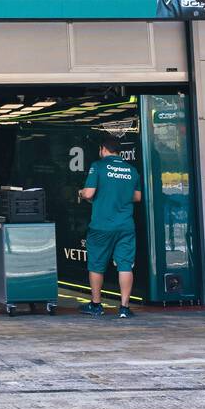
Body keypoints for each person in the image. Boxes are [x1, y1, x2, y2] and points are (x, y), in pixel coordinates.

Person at [79, 134, 142, 318]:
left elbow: (89, 193)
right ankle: (124, 308)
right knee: (125, 265)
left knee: (97, 264)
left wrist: (81, 193)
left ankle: (96, 305)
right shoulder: (132, 170)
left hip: (102, 226)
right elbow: (137, 197)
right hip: (125, 226)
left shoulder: (98, 166)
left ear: (103, 149)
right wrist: (118, 195)